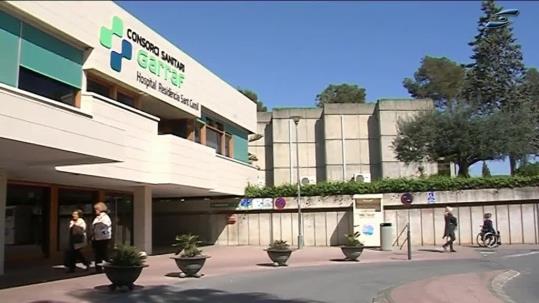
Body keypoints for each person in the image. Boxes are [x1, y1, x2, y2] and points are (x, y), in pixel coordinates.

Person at [92, 202, 112, 273]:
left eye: (97, 209)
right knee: (97, 255)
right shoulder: (97, 218)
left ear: (101, 209)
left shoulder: (105, 217)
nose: (95, 211)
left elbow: (105, 226)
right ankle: (98, 269)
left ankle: (112, 267)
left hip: (104, 238)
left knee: (104, 254)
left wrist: (101, 231)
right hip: (96, 238)